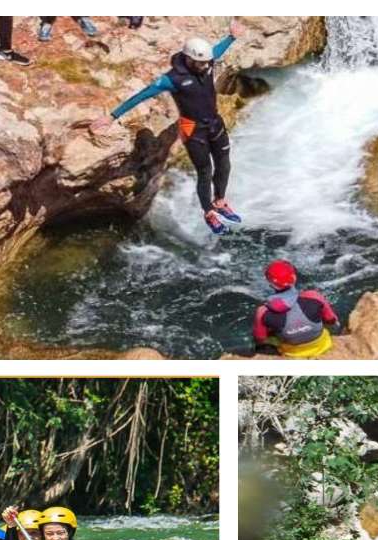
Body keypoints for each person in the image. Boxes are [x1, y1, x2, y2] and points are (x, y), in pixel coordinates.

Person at [94, 19, 246, 234]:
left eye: (207, 63)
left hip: (214, 123)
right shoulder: (171, 79)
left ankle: (220, 201)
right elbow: (141, 95)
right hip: (192, 129)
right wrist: (112, 116)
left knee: (224, 165)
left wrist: (231, 37)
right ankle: (209, 211)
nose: (205, 67)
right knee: (205, 171)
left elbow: (216, 51)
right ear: (188, 59)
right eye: (200, 64)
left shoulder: (207, 62)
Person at [252, 260, 339, 358]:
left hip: (293, 353)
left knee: (266, 337)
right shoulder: (314, 296)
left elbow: (260, 338)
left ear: (270, 284)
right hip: (322, 346)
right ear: (294, 278)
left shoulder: (263, 311)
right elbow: (331, 320)